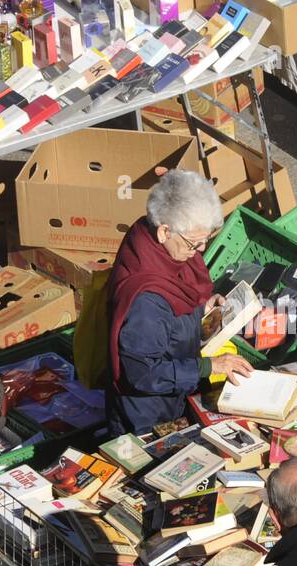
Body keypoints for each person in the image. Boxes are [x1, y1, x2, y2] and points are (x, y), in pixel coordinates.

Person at [105, 169, 251, 435]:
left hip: (173, 393)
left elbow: (176, 306)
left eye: (207, 239)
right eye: (194, 243)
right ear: (164, 231)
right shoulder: (147, 303)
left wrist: (202, 309)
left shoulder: (156, 246)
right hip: (147, 414)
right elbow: (142, 374)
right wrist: (211, 366)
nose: (201, 250)